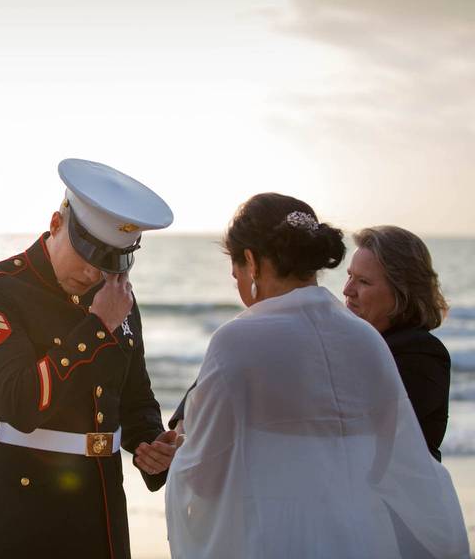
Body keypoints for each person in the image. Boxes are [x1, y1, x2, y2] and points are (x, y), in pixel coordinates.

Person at [165, 193, 468, 559]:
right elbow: (386, 456)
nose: (238, 283)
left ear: (251, 261)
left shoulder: (236, 340)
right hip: (359, 537)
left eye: (236, 274)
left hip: (275, 536)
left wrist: (183, 449)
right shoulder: (365, 338)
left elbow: (204, 478)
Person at [0, 158, 178, 559]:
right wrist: (97, 327)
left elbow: (135, 399)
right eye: (86, 255)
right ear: (57, 223)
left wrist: (150, 447)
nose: (94, 274)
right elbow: (18, 404)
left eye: (109, 263)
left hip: (103, 504)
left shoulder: (117, 300)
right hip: (21, 508)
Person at [344, 226, 451, 460]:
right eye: (349, 275)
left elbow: (356, 427)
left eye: (363, 281)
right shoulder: (366, 343)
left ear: (401, 292)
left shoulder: (422, 354)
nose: (348, 290)